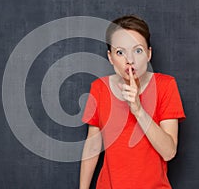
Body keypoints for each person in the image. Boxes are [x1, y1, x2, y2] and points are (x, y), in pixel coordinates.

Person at [79, 15, 186, 189]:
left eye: (138, 50)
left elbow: (169, 152)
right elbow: (92, 147)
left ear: (149, 53)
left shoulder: (166, 86)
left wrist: (138, 109)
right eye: (120, 52)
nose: (130, 60)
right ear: (110, 57)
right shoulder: (99, 88)